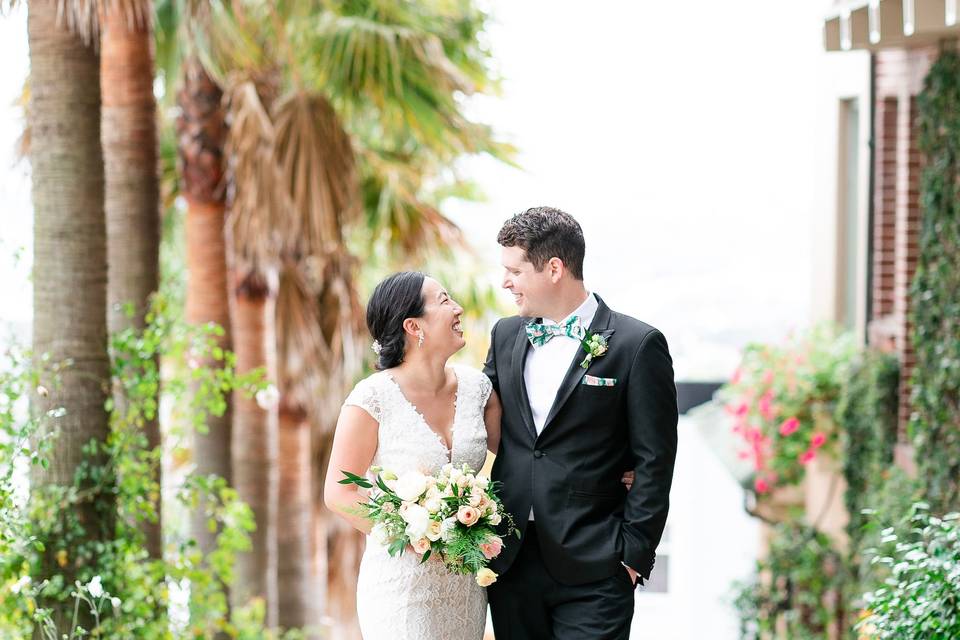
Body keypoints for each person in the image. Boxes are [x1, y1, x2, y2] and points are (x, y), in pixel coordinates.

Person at [483, 206, 679, 640]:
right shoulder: (505, 335)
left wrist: (631, 557)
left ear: (554, 268)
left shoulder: (636, 344)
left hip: (597, 564)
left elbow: (655, 458)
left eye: (514, 270)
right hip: (511, 559)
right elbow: (480, 419)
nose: (505, 282)